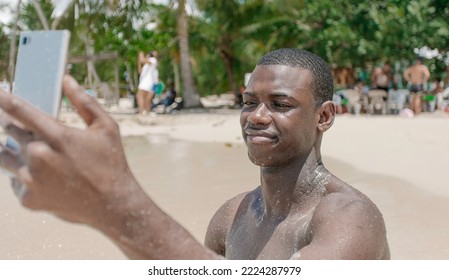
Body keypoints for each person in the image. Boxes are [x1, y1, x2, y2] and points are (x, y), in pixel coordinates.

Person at [0, 48, 389, 260]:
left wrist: (111, 202)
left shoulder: (350, 220)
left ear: (323, 117)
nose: (256, 116)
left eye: (280, 104)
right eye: (249, 100)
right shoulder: (231, 216)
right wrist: (88, 210)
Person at [136, 50, 159, 115]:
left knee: (140, 97)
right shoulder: (147, 65)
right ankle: (145, 111)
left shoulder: (153, 60)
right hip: (145, 82)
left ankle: (143, 111)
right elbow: (140, 71)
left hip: (147, 83)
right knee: (144, 98)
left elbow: (143, 60)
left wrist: (141, 55)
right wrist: (139, 60)